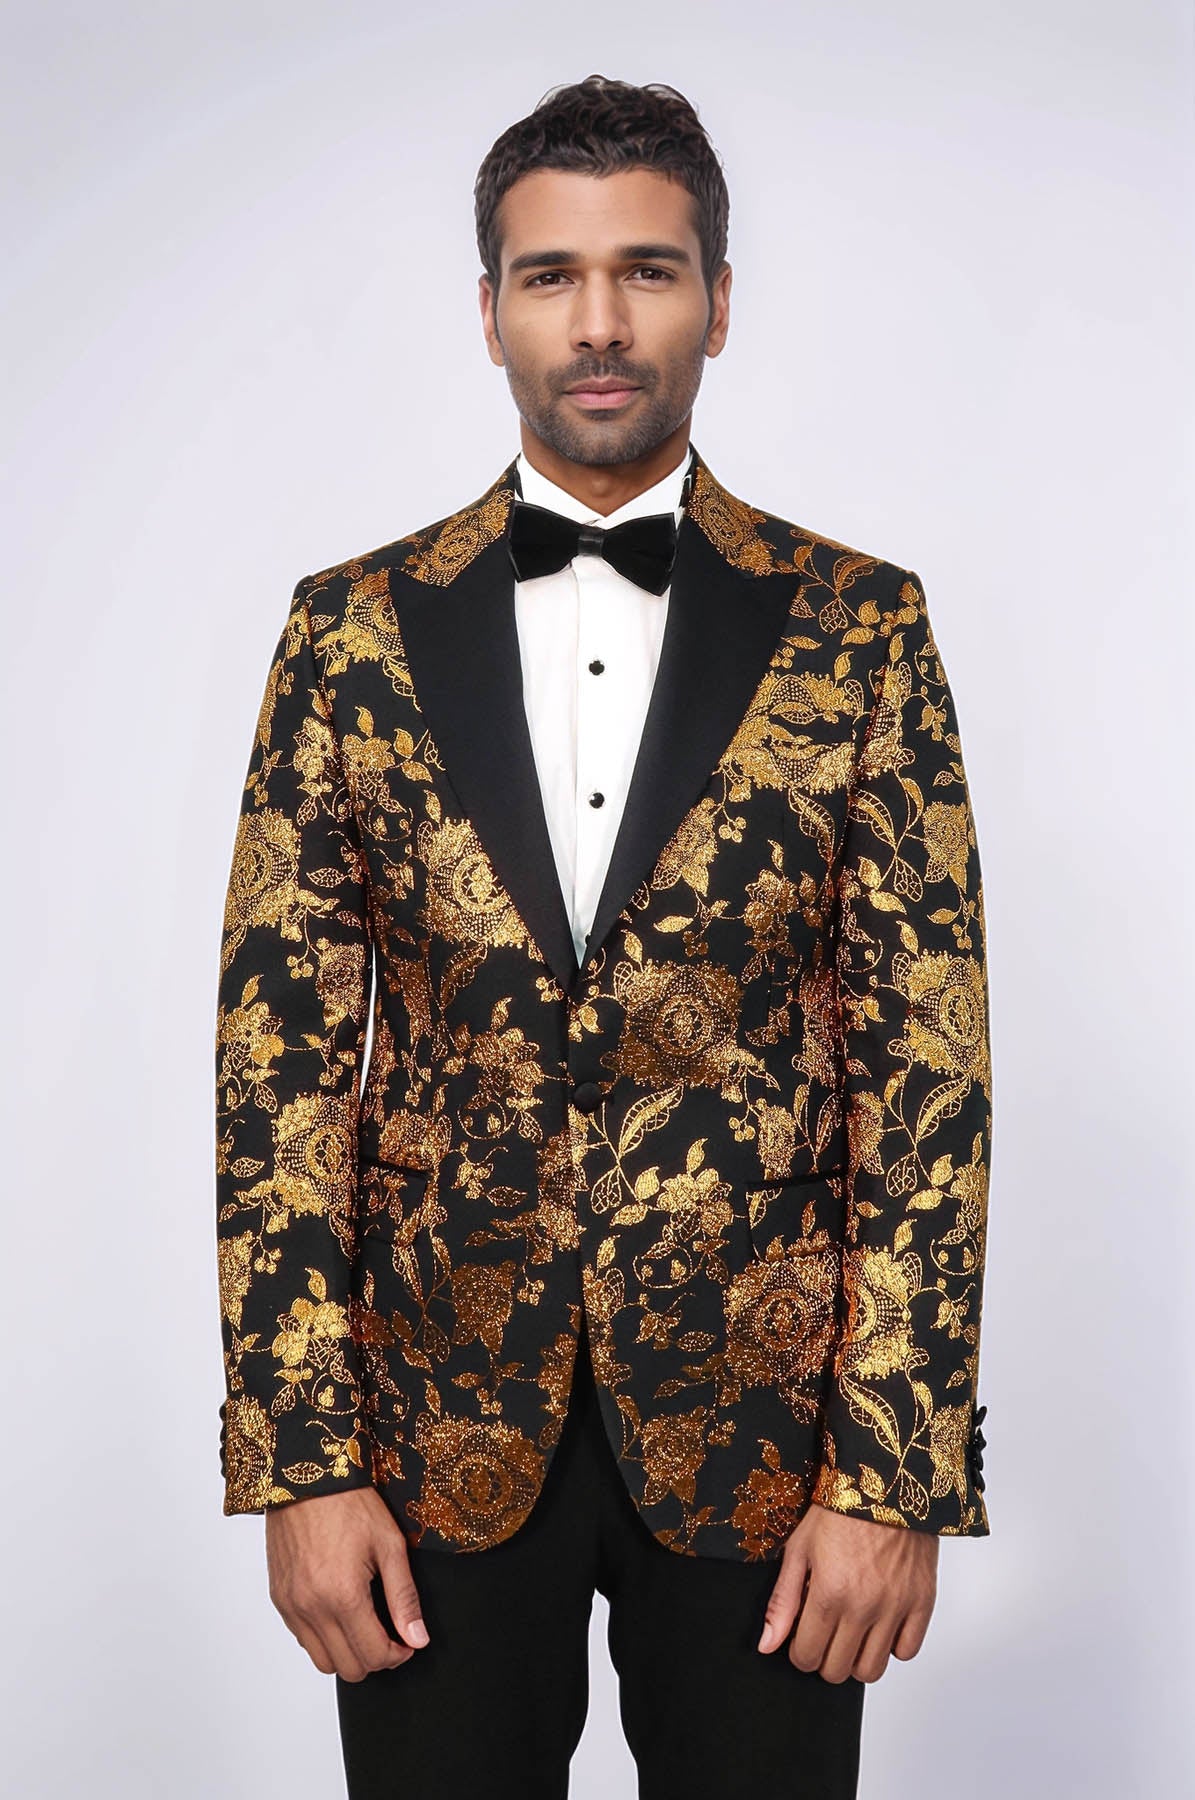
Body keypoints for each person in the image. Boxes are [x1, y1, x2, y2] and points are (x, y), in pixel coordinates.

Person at [214, 72, 993, 1800]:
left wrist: (893, 1471)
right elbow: (276, 1068)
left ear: (719, 299)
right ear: (490, 307)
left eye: (647, 270)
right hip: (425, 1434)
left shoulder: (862, 627)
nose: (599, 323)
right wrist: (300, 1460)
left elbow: (928, 1068)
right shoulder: (347, 633)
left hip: (772, 1444)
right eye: (552, 275)